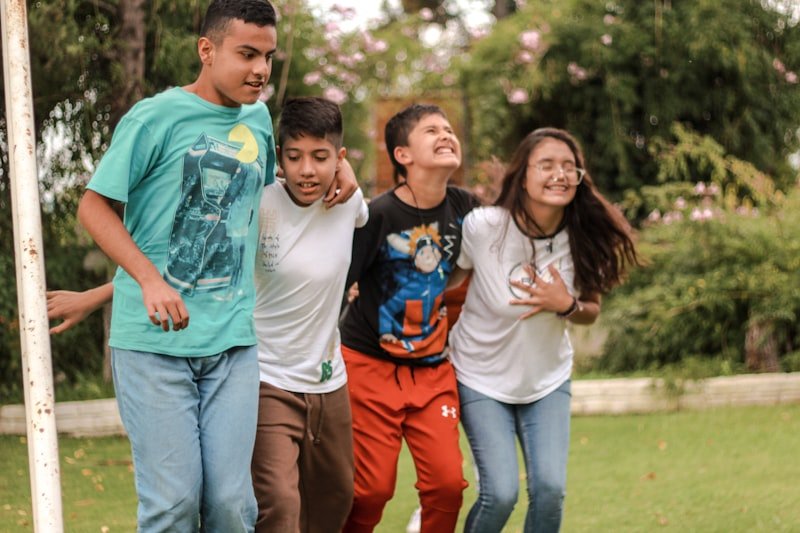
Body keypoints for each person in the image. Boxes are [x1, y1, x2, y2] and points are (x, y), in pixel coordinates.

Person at [69, 1, 355, 530]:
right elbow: (93, 206)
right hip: (154, 343)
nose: (261, 70)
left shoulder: (258, 120)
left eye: (268, 56)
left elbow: (274, 199)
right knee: (174, 504)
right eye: (247, 54)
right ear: (207, 49)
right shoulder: (154, 118)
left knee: (232, 504)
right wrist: (148, 281)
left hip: (233, 344)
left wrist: (342, 167)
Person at [447, 128, 640, 533]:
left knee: (550, 491)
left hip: (547, 380)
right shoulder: (484, 227)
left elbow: (590, 311)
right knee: (500, 494)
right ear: (523, 175)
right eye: (548, 165)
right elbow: (447, 281)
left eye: (570, 167)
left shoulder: (582, 237)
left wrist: (565, 304)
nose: (560, 174)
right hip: (480, 377)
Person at [339, 103, 479, 533]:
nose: (446, 135)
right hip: (369, 366)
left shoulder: (467, 208)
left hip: (433, 371)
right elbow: (339, 281)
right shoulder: (378, 215)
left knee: (447, 487)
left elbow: (482, 258)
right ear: (402, 155)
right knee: (370, 492)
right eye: (431, 130)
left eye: (448, 129)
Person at [249, 96, 367, 532]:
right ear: (279, 157)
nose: (307, 170)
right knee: (279, 503)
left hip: (328, 379)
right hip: (266, 377)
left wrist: (344, 171)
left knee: (336, 498)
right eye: (295, 157)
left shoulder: (349, 202)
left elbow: (361, 210)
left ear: (339, 157)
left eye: (320, 157)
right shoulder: (260, 203)